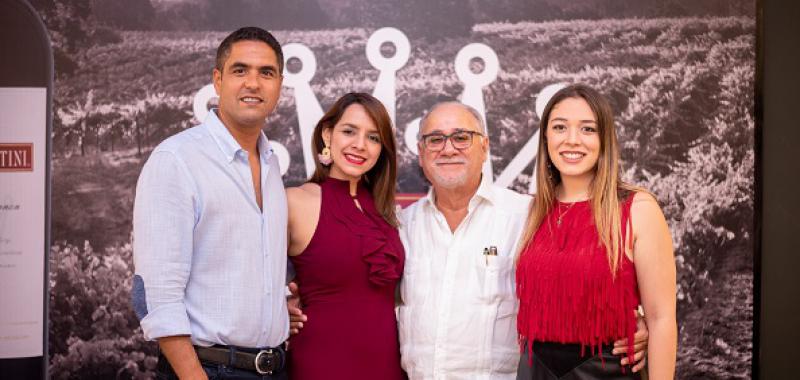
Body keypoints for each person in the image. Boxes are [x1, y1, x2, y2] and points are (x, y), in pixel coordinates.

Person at [287, 101, 647, 379]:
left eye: (462, 137)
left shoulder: (529, 216)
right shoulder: (398, 228)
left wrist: (638, 320)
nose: (448, 148)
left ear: (485, 146)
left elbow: (584, 277)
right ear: (421, 152)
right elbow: (356, 284)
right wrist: (284, 307)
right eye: (435, 139)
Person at [132, 27, 290, 379]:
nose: (253, 83)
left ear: (280, 84)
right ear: (217, 80)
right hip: (209, 370)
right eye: (240, 70)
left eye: (266, 72)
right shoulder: (177, 159)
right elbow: (156, 293)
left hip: (274, 368)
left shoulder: (271, 164)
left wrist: (275, 307)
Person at [514, 84, 677, 379]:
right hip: (534, 371)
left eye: (588, 129)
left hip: (604, 371)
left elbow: (661, 319)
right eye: (560, 127)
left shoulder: (637, 209)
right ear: (546, 137)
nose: (572, 140)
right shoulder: (532, 211)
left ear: (604, 139)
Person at [285, 92, 405, 380]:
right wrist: (278, 309)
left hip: (388, 366)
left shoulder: (387, 213)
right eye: (349, 131)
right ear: (328, 134)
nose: (360, 145)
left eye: (374, 137)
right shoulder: (296, 201)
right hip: (322, 363)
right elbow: (248, 274)